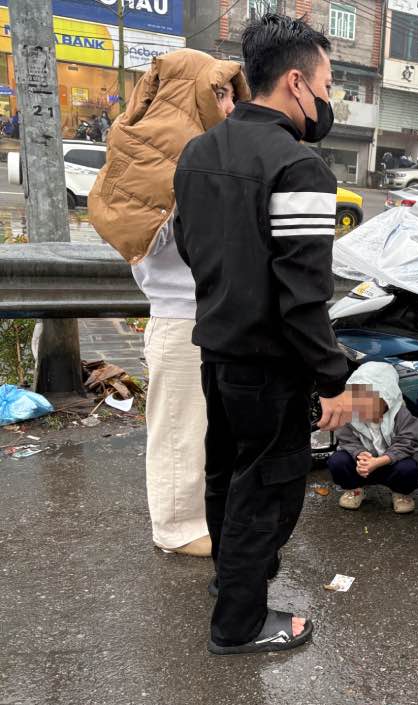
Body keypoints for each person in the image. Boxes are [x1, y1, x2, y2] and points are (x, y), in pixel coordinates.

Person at [173, 13, 354, 655]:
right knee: (267, 489)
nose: (329, 99)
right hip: (270, 368)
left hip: (217, 352)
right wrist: (333, 377)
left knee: (224, 474)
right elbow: (303, 295)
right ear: (297, 83)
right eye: (329, 84)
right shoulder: (299, 167)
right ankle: (240, 622)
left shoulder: (198, 152)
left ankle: (233, 579)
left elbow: (193, 251)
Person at [88, 50, 249, 559]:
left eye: (229, 93)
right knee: (179, 429)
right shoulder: (168, 156)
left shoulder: (191, 152)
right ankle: (176, 529)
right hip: (180, 313)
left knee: (199, 428)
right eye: (218, 92)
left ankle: (196, 518)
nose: (228, 105)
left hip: (202, 313)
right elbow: (145, 235)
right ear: (190, 93)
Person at [327, 362, 418, 514]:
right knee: (338, 461)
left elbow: (407, 442)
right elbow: (346, 439)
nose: (361, 406)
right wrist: (359, 453)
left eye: (369, 401)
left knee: (408, 468)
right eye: (357, 400)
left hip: (391, 464)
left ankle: (400, 492)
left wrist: (379, 461)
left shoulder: (401, 415)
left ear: (386, 399)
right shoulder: (349, 414)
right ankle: (355, 489)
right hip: (363, 466)